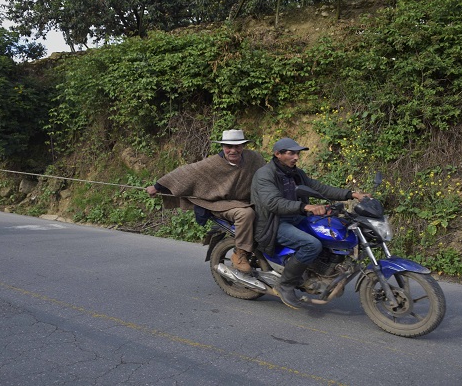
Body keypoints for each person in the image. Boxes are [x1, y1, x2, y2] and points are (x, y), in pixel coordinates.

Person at [251, 137, 369, 309]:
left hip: (295, 216)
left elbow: (318, 188)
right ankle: (286, 285)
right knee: (311, 245)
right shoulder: (265, 174)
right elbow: (273, 203)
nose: (296, 157)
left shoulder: (294, 173)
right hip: (273, 222)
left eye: (297, 153)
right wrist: (306, 206)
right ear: (278, 154)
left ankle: (317, 271)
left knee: (329, 230)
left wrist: (351, 194)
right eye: (291, 153)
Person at [146, 129, 266, 273]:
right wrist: (157, 187)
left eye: (237, 146)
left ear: (243, 146)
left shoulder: (254, 159)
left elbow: (268, 174)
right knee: (245, 214)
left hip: (247, 200)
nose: (233, 150)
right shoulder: (212, 163)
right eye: (229, 146)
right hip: (219, 204)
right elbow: (184, 174)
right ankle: (240, 254)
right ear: (222, 147)